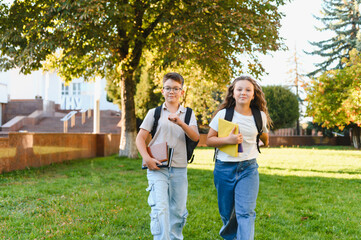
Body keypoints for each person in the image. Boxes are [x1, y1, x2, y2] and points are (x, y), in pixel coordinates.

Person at [206, 76, 272, 240]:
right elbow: (209, 140)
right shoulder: (224, 114)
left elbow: (265, 137)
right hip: (224, 168)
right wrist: (228, 140)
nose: (243, 92)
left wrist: (262, 140)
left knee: (245, 212)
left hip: (248, 168)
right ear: (233, 94)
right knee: (227, 214)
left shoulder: (259, 116)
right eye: (239, 89)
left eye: (248, 90)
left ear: (253, 95)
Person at [136, 72, 200, 240]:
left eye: (176, 88)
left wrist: (180, 122)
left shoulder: (188, 114)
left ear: (182, 92)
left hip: (179, 168)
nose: (172, 91)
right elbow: (140, 138)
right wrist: (147, 159)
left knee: (178, 211)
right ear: (162, 91)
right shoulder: (154, 113)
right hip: (158, 167)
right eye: (168, 88)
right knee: (161, 209)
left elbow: (195, 137)